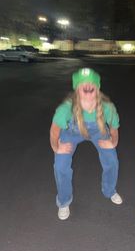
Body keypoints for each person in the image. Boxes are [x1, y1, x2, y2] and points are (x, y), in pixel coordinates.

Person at [50, 67, 123, 220]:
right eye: (83, 83)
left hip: (99, 131)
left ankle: (109, 190)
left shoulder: (107, 107)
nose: (88, 86)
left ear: (97, 88)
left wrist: (113, 142)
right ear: (77, 89)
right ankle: (64, 201)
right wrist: (57, 147)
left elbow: (114, 127)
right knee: (60, 166)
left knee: (112, 161)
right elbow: (54, 131)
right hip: (71, 133)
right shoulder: (66, 109)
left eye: (91, 83)